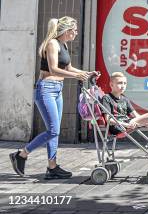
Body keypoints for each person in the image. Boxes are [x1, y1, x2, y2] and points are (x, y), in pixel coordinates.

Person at [9, 17, 96, 179]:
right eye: (74, 30)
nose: (76, 33)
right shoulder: (52, 44)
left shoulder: (63, 44)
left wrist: (85, 73)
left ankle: (52, 167)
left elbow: (68, 67)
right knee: (54, 130)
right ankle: (21, 154)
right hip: (46, 90)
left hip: (57, 90)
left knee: (53, 131)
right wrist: (76, 76)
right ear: (66, 30)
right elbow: (54, 69)